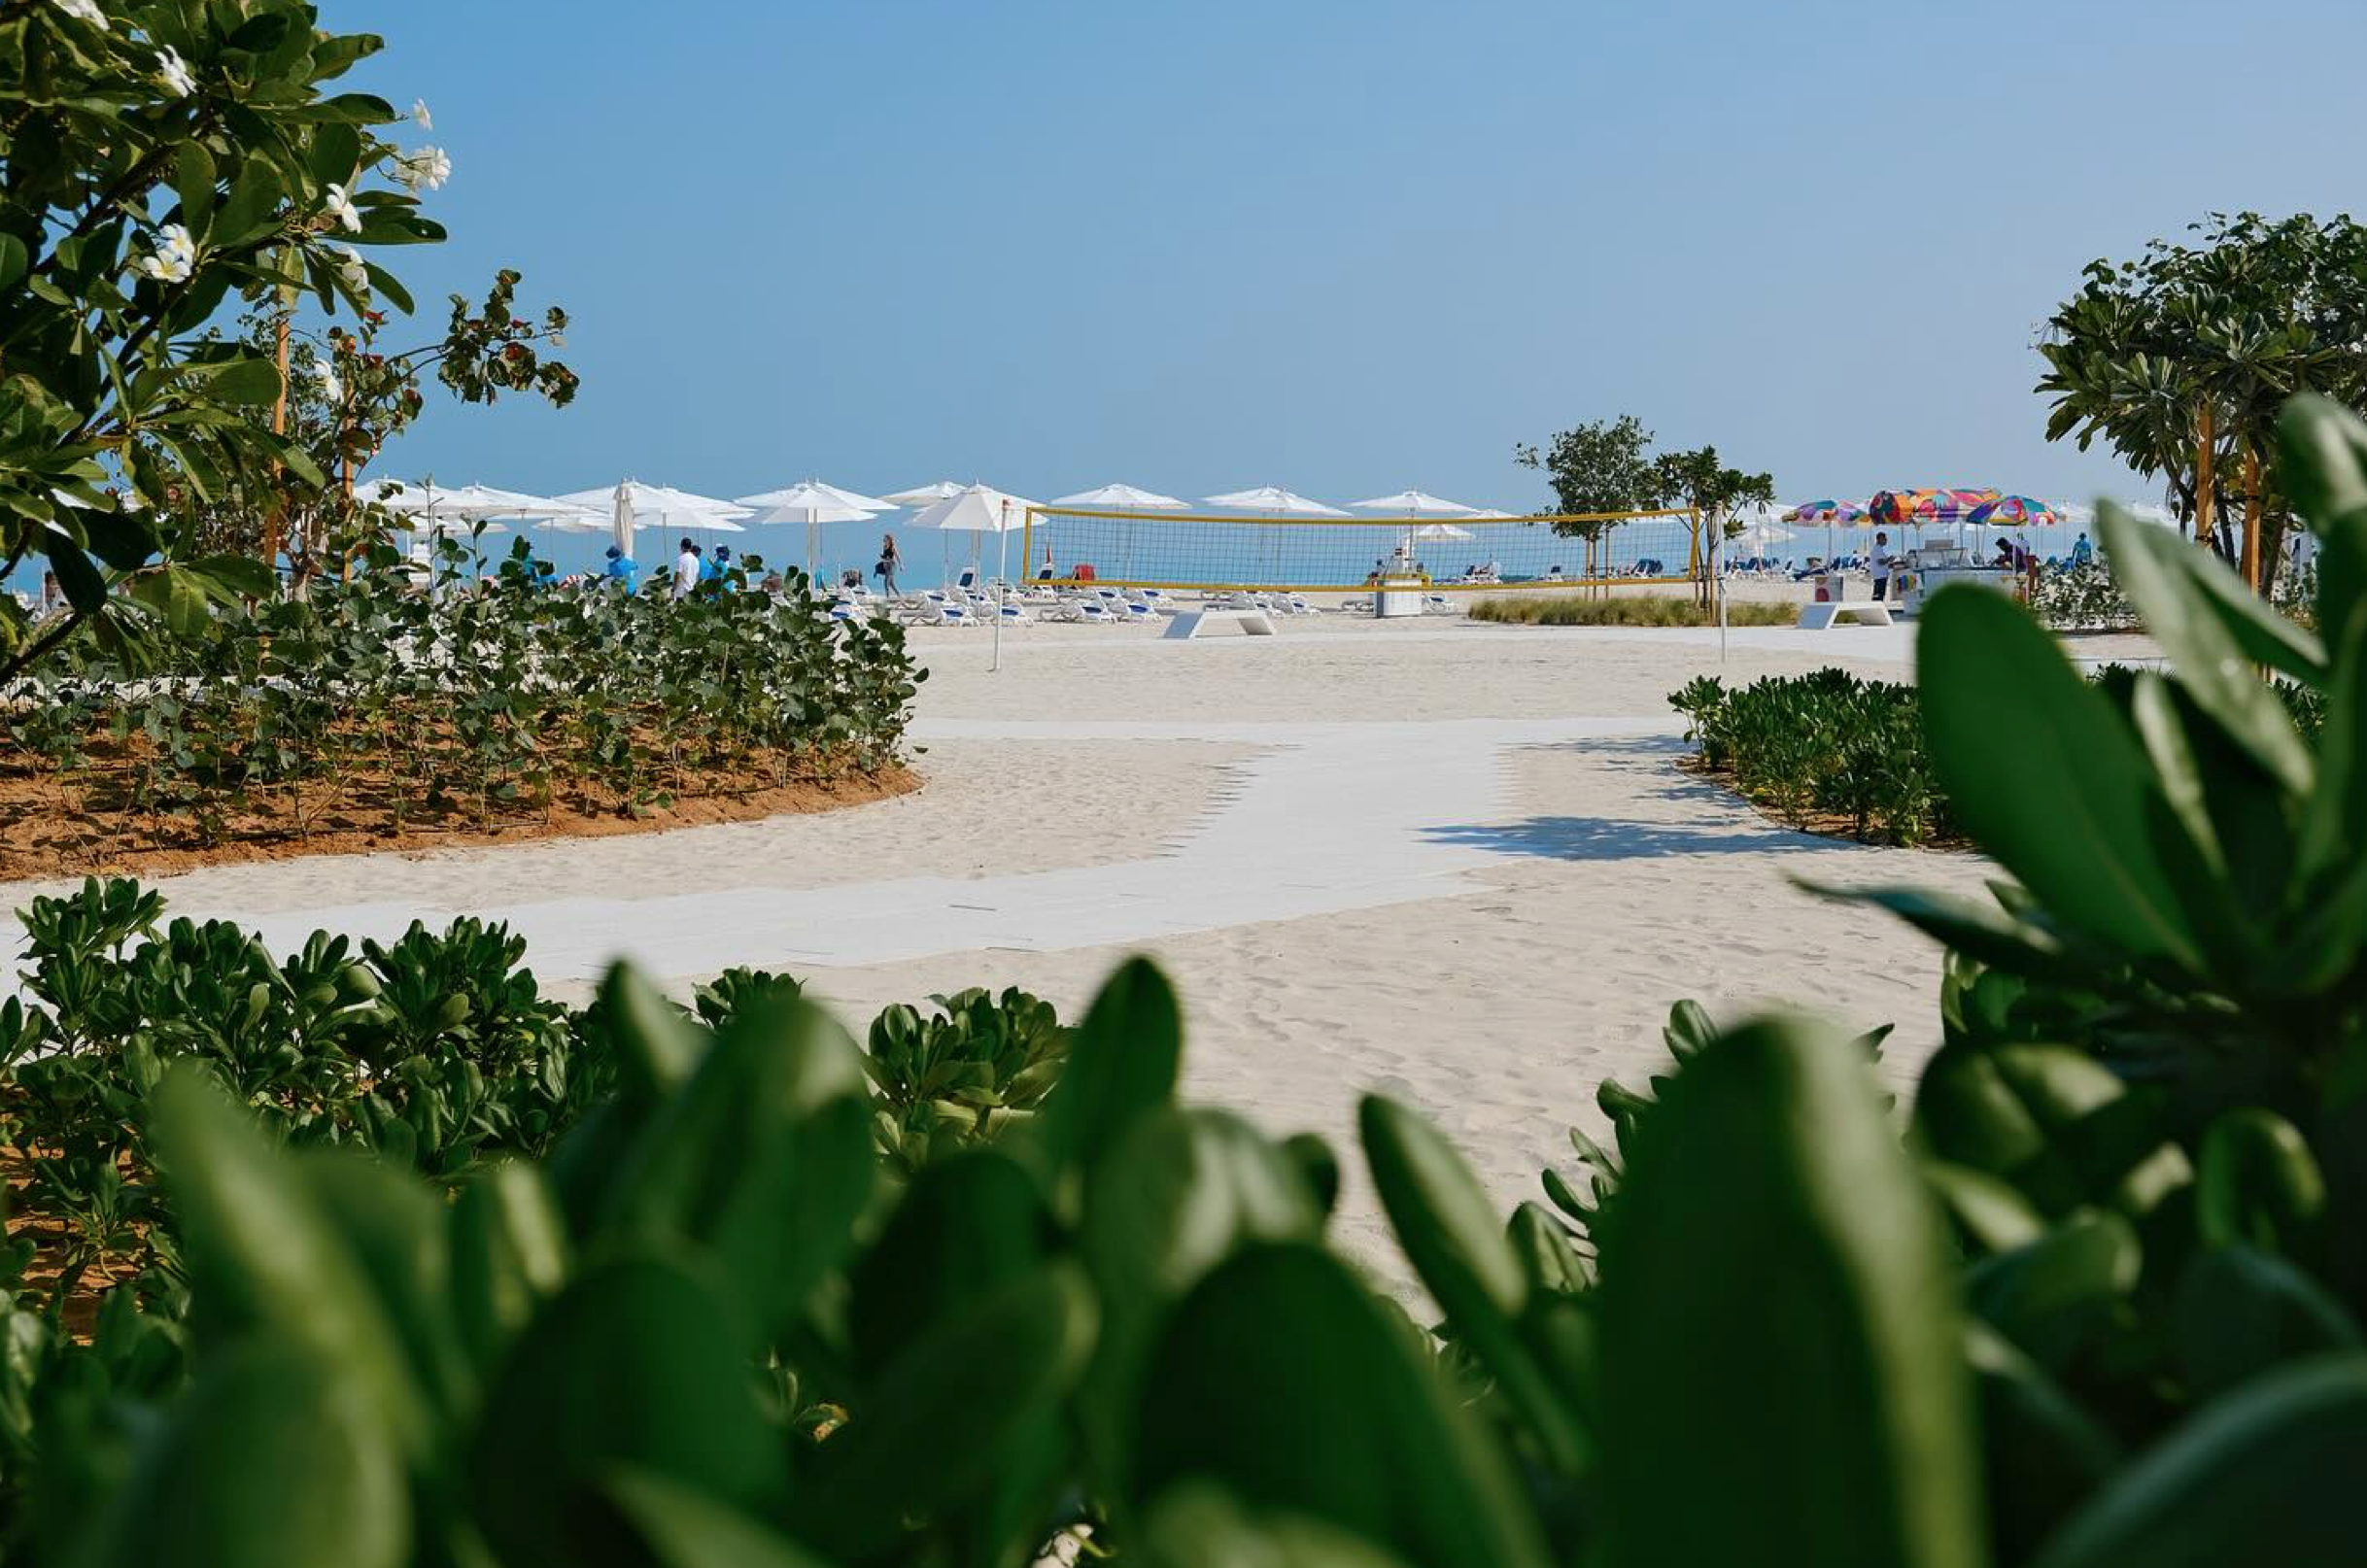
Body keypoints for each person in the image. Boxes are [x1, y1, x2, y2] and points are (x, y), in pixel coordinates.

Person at [875, 532, 903, 597]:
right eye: (884, 539)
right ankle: (900, 596)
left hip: (892, 566)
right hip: (886, 566)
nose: (884, 540)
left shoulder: (892, 547)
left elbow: (897, 556)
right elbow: (885, 556)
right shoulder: (884, 547)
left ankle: (888, 598)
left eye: (885, 538)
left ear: (889, 539)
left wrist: (901, 565)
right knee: (891, 584)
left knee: (886, 582)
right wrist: (882, 557)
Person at [673, 536, 700, 600]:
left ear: (682, 547)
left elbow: (678, 575)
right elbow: (697, 576)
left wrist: (673, 589)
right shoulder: (696, 559)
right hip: (692, 591)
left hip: (681, 592)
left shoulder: (681, 558)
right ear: (690, 547)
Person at [1870, 531, 1892, 602]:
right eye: (1885, 539)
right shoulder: (1877, 549)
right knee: (1878, 595)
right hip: (1880, 576)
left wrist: (1889, 564)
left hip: (1881, 575)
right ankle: (1876, 609)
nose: (1886, 540)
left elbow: (1881, 562)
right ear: (1880, 539)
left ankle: (1876, 608)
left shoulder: (1879, 549)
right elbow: (1880, 562)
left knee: (1879, 594)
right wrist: (1889, 559)